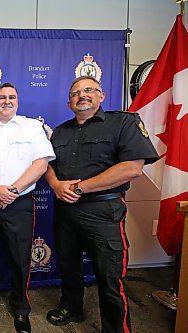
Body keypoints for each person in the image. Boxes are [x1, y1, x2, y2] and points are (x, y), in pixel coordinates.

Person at [45, 76, 159, 333]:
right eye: (75, 93)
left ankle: (115, 328)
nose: (81, 96)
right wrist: (55, 185)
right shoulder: (61, 131)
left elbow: (132, 167)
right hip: (66, 210)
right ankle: (72, 308)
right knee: (68, 265)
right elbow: (48, 166)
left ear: (101, 95)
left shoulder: (124, 122)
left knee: (110, 276)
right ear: (69, 102)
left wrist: (79, 187)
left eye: (88, 90)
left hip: (103, 213)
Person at [0, 82, 55, 333]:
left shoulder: (32, 127)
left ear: (17, 101)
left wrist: (12, 191)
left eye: (11, 97)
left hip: (20, 204)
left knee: (20, 259)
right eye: (1, 98)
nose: (7, 101)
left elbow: (41, 165)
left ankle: (20, 308)